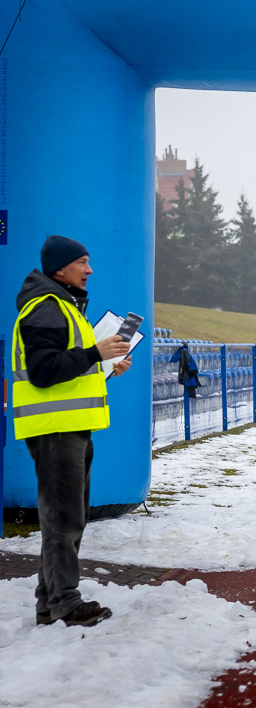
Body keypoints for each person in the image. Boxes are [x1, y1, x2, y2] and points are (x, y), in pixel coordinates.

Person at [11, 236, 132, 627]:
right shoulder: (46, 308)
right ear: (60, 268)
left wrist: (104, 366)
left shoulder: (63, 306)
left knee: (68, 518)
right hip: (56, 430)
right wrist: (96, 353)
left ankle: (49, 602)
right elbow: (44, 371)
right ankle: (65, 603)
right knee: (63, 520)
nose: (89, 270)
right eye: (82, 262)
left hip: (70, 427)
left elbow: (67, 367)